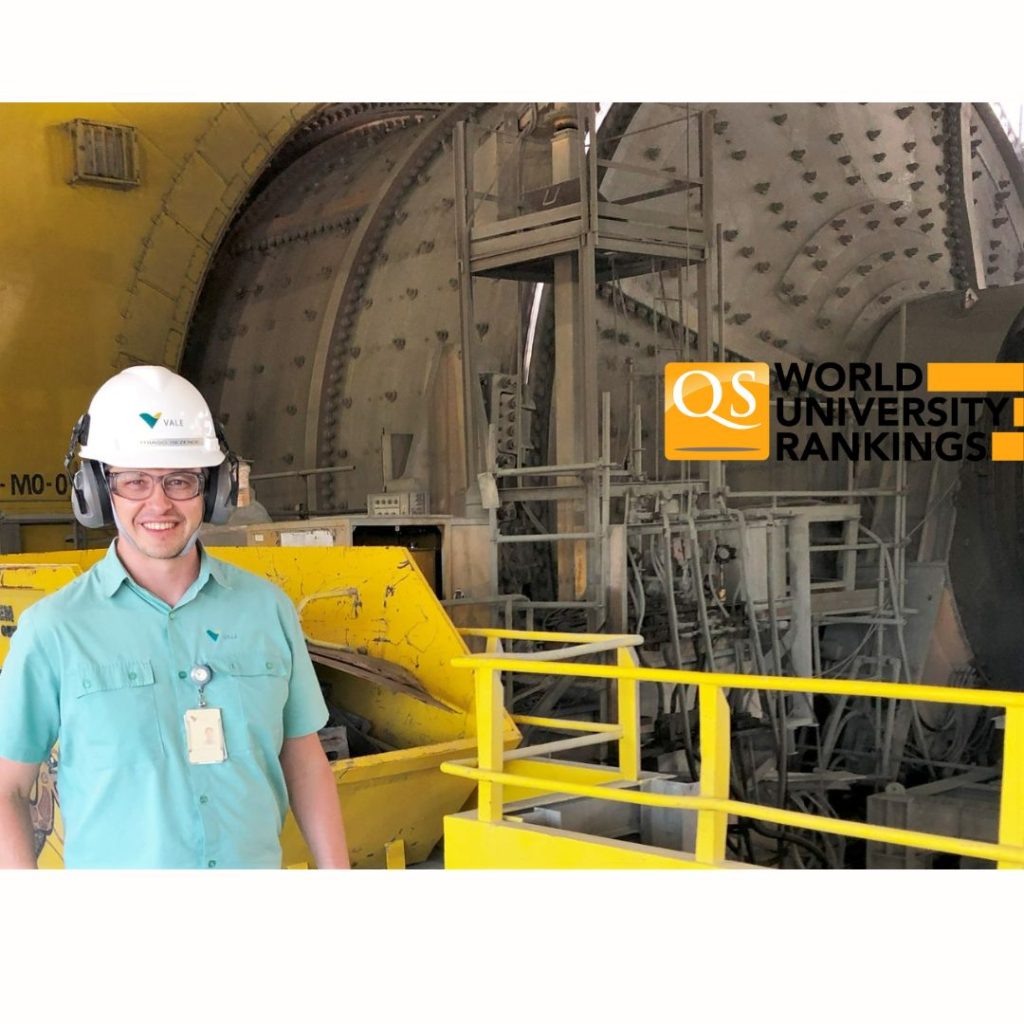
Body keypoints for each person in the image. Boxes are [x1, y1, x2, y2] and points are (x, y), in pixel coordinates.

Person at [0, 366, 350, 868]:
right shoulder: (53, 630)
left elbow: (303, 758)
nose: (158, 504)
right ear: (96, 491)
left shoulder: (266, 609)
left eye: (180, 480)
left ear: (214, 489)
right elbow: (7, 788)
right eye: (134, 481)